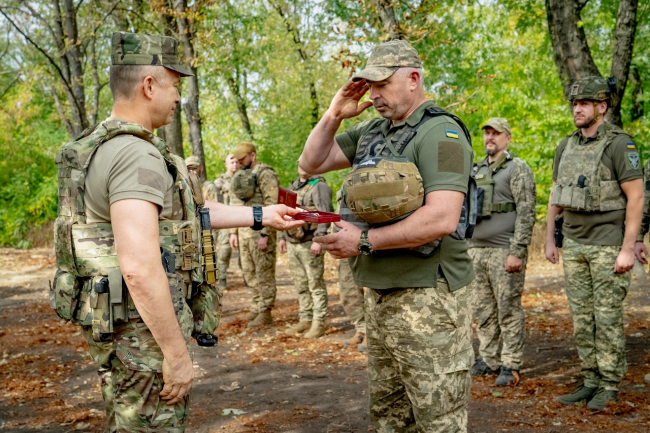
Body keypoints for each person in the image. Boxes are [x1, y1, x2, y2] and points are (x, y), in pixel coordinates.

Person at [50, 32, 302, 432]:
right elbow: (138, 263)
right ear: (149, 86)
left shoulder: (107, 146)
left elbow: (186, 216)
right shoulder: (135, 155)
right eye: (176, 86)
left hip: (118, 321)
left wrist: (260, 214)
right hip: (141, 333)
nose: (178, 97)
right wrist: (175, 352)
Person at [300, 39, 475, 432]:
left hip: (429, 298)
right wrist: (333, 115)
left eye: (382, 85)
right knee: (390, 419)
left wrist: (363, 242)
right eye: (370, 86)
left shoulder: (442, 133)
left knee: (438, 421)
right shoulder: (372, 132)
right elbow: (310, 162)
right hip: (379, 296)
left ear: (413, 79)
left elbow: (443, 218)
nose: (374, 95)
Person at [545, 76, 643, 410]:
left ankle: (610, 385)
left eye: (584, 103)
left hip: (606, 246)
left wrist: (628, 248)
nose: (577, 109)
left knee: (607, 317)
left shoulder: (620, 144)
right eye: (574, 104)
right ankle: (590, 380)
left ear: (601, 107)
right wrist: (550, 239)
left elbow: (636, 198)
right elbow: (556, 194)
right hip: (574, 243)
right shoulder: (566, 145)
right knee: (582, 318)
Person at [469, 117, 537, 386]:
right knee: (483, 310)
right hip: (476, 251)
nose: (489, 138)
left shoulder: (517, 168)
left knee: (507, 309)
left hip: (504, 250)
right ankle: (488, 358)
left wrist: (517, 251)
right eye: (486, 133)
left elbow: (527, 211)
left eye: (495, 133)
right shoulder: (475, 170)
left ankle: (510, 363)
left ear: (507, 138)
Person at [229, 142, 280, 328]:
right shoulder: (241, 174)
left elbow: (272, 203)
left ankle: (266, 311)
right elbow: (234, 204)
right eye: (238, 158)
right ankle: (257, 304)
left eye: (243, 157)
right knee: (249, 272)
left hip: (260, 233)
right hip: (244, 232)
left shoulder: (265, 173)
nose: (240, 161)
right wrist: (233, 232)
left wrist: (266, 234)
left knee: (263, 272)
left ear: (253, 155)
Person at [278, 167, 333, 339]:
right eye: (300, 164)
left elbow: (325, 213)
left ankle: (318, 322)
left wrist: (320, 238)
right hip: (294, 242)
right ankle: (305, 318)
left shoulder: (319, 186)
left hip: (310, 241)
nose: (303, 167)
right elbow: (284, 213)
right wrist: (281, 236)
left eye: (306, 163)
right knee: (300, 283)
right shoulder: (293, 186)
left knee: (315, 284)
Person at [334, 190, 367, 351]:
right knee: (349, 291)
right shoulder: (346, 184)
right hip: (345, 243)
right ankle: (361, 329)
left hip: (366, 241)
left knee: (371, 292)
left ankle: (373, 334)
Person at [214, 153, 239, 290]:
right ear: (226, 164)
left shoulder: (244, 179)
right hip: (227, 220)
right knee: (224, 251)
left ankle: (248, 278)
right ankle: (222, 278)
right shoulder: (220, 182)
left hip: (243, 219)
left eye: (236, 162)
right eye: (231, 162)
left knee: (245, 252)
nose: (234, 164)